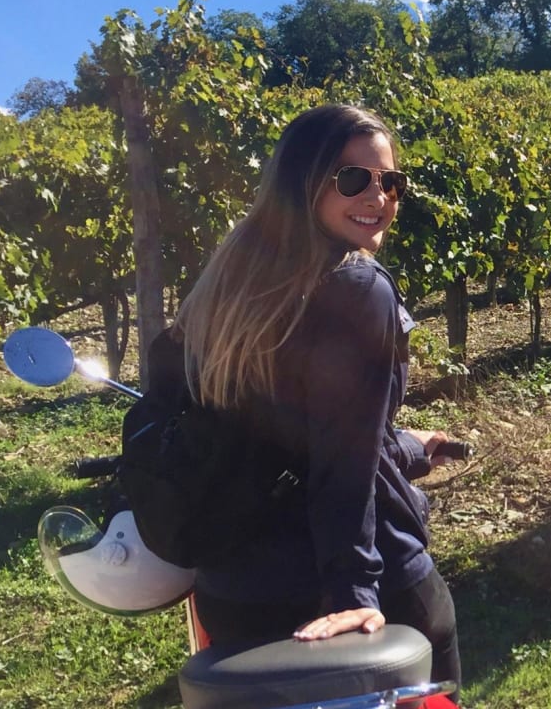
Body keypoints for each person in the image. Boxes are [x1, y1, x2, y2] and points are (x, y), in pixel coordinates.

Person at [167, 104, 461, 688]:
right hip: (350, 591)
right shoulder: (358, 286)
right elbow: (341, 463)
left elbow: (288, 433)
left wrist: (404, 446)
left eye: (391, 182)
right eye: (352, 179)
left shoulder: (225, 289)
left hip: (236, 591)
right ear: (304, 184)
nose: (378, 196)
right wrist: (354, 589)